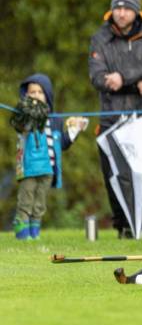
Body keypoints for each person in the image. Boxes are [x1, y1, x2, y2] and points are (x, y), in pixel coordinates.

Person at [89, 0, 142, 240]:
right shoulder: (99, 38)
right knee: (115, 175)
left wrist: (124, 77)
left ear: (136, 11)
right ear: (111, 10)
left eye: (127, 8)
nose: (121, 13)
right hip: (111, 116)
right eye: (118, 8)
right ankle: (123, 227)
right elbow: (98, 77)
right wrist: (139, 78)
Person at [12, 73, 87, 240]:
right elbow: (20, 127)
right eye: (32, 92)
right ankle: (22, 233)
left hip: (48, 169)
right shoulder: (24, 115)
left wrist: (75, 129)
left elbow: (62, 144)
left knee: (39, 203)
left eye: (40, 92)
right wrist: (26, 114)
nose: (36, 95)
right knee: (26, 200)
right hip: (30, 168)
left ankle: (34, 232)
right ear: (26, 95)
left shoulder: (56, 120)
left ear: (47, 95)